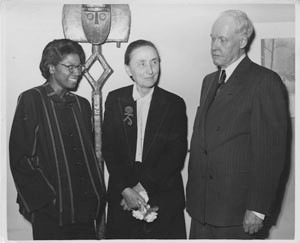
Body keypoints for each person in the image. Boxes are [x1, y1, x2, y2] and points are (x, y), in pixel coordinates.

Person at [186, 10, 289, 239]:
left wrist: (258, 209)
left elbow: (270, 153)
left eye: (222, 39)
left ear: (242, 41)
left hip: (236, 212)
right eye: (212, 38)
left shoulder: (264, 81)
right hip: (201, 208)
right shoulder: (209, 81)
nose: (214, 46)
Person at [9, 39, 106, 240]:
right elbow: (20, 158)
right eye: (70, 66)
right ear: (51, 68)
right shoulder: (32, 99)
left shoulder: (82, 105)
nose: (77, 72)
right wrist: (47, 202)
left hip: (86, 213)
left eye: (79, 66)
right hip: (52, 216)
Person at [102, 39, 187, 239]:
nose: (150, 70)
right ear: (128, 69)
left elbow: (176, 154)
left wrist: (141, 188)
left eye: (154, 62)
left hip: (162, 188)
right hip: (123, 191)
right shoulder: (115, 99)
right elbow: (109, 148)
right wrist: (125, 189)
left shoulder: (173, 103)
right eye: (141, 63)